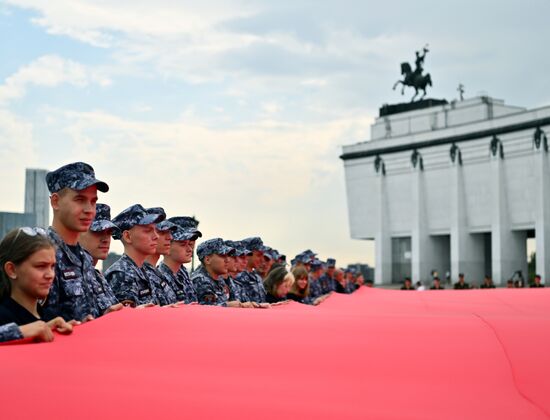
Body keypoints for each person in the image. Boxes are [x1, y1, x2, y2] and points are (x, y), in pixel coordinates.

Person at [42, 161, 118, 322]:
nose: (89, 209)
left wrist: (107, 317)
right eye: (79, 199)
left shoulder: (84, 258)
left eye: (93, 201)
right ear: (55, 202)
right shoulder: (38, 253)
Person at [0, 227, 74, 340]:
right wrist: (19, 332)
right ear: (12, 270)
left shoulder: (51, 318)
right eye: (40, 266)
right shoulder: (3, 316)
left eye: (52, 266)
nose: (50, 275)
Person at [104, 204, 164, 307]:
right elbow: (127, 320)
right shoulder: (121, 274)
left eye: (155, 230)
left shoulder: (148, 270)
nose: (156, 236)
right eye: (148, 231)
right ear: (127, 236)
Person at [78, 203, 123, 315]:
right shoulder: (72, 272)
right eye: (98, 232)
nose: (106, 239)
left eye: (109, 233)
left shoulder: (97, 276)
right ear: (79, 231)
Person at [158, 218, 202, 304]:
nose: (190, 249)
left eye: (190, 244)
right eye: (182, 244)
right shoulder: (160, 277)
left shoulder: (182, 272)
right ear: (168, 246)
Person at [191, 238, 243, 307]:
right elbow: (206, 310)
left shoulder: (219, 280)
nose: (227, 260)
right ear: (207, 260)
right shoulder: (200, 280)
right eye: (222, 256)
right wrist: (228, 305)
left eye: (227, 256)